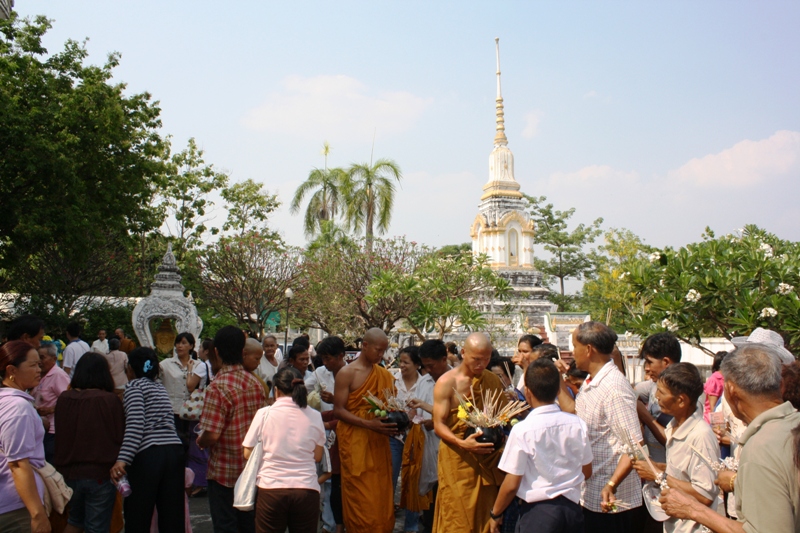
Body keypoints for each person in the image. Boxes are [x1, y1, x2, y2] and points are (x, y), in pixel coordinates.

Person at [659, 343, 800, 533]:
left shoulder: (761, 447)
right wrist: (737, 481)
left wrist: (693, 509)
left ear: (730, 390)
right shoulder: (792, 425)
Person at [556, 322, 643, 532]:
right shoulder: (591, 381)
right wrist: (558, 379)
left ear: (588, 349)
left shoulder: (613, 387)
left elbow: (635, 445)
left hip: (612, 501)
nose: (572, 353)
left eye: (574, 346)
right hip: (592, 492)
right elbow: (576, 413)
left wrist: (612, 484)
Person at [489, 358, 593, 533]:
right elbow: (587, 471)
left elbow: (512, 483)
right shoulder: (577, 424)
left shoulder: (522, 430)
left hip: (538, 513)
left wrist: (495, 513)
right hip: (571, 510)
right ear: (557, 389)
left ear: (527, 391)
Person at [432, 332, 507, 533]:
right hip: (458, 459)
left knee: (485, 516)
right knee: (457, 516)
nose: (482, 364)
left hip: (487, 459)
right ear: (463, 353)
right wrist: (463, 443)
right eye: (476, 359)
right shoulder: (447, 382)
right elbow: (438, 424)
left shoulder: (491, 380)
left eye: (486, 358)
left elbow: (502, 418)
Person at [632, 363, 719, 533]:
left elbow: (704, 495)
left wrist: (658, 475)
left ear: (681, 400)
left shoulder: (700, 436)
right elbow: (683, 473)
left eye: (662, 393)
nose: (657, 397)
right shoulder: (673, 427)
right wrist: (657, 467)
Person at [197, 326, 267, 533]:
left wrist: (201, 441)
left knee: (226, 525)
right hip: (252, 469)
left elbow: (211, 434)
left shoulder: (218, 387)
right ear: (242, 352)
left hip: (224, 472)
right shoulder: (255, 383)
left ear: (216, 351)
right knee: (248, 525)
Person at [243, 367, 326, 533]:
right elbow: (317, 456)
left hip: (270, 489)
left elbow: (247, 453)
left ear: (276, 390)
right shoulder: (315, 416)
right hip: (306, 490)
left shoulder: (264, 414)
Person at [111, 347, 184, 532]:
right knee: (172, 516)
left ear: (131, 369)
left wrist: (122, 460)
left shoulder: (134, 387)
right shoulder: (159, 387)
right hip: (174, 452)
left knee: (138, 515)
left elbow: (136, 426)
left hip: (150, 455)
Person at [333, 327, 397, 533]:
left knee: (379, 492)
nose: (381, 355)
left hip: (378, 441)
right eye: (378, 350)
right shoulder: (347, 373)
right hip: (355, 442)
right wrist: (369, 424)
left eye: (384, 351)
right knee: (360, 493)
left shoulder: (384, 375)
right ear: (365, 346)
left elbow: (389, 406)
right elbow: (339, 411)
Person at [54, 352, 124, 533]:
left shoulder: (64, 399)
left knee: (75, 520)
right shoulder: (109, 400)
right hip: (99, 473)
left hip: (68, 473)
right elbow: (119, 435)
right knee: (97, 526)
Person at [0, 340, 49, 533]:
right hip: (17, 505)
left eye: (39, 364)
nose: (40, 369)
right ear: (12, 370)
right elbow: (18, 464)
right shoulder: (17, 408)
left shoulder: (8, 402)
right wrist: (37, 513)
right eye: (33, 365)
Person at [393, 346, 434, 533]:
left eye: (406, 362)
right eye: (400, 362)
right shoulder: (393, 381)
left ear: (417, 365)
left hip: (416, 439)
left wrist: (414, 417)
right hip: (394, 437)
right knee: (390, 479)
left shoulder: (426, 384)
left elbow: (428, 411)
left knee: (413, 481)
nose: (402, 366)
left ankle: (410, 526)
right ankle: (386, 520)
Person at [414, 339, 449, 532]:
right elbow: (416, 411)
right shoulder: (424, 381)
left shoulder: (457, 380)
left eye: (431, 366)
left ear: (444, 359)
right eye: (425, 366)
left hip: (450, 448)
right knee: (429, 503)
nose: (428, 370)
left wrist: (435, 422)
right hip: (427, 448)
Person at [316, 336, 349, 533]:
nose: (326, 363)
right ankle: (335, 525)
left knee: (343, 484)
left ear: (341, 356)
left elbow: (353, 411)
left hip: (348, 436)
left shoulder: (352, 374)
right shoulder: (324, 373)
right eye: (323, 359)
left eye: (329, 358)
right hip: (332, 437)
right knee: (333, 482)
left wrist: (327, 422)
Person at [636, 332, 682, 465]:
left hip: (671, 475)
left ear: (666, 362)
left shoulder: (684, 393)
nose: (647, 369)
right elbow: (630, 392)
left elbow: (671, 441)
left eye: (650, 362)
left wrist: (645, 417)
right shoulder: (653, 385)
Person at [31, 342, 70, 463]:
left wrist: (50, 409)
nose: (40, 362)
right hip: (40, 427)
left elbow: (68, 400)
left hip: (53, 430)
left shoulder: (58, 375)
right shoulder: (40, 374)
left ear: (54, 358)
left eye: (42, 358)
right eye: (38, 358)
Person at [186, 338, 214, 497]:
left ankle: (198, 481)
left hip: (199, 408)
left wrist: (190, 369)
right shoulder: (216, 366)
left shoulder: (202, 366)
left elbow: (191, 385)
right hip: (210, 407)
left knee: (197, 444)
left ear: (206, 351)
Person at [161, 332, 198, 450]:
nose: (179, 346)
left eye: (183, 343)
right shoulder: (165, 364)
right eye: (177, 343)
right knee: (172, 444)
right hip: (171, 411)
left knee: (189, 445)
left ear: (191, 346)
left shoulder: (198, 365)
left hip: (192, 412)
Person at [703, 351, 727, 423]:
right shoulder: (714, 379)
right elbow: (713, 406)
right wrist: (718, 425)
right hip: (714, 421)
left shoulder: (726, 378)